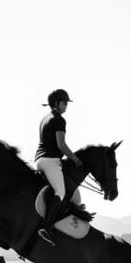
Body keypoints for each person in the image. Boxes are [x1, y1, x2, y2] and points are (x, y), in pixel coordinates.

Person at [34, 88, 83, 245]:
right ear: (56, 103)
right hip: (50, 160)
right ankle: (46, 227)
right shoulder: (59, 120)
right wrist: (75, 159)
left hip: (40, 160)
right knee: (60, 192)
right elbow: (61, 145)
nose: (66, 106)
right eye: (64, 103)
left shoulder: (45, 118)